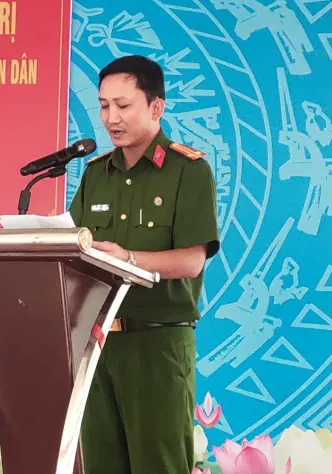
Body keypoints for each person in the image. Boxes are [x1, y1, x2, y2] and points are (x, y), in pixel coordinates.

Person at [68, 54, 220, 474]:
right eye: (103, 105)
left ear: (156, 107)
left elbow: (191, 260)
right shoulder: (96, 173)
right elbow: (75, 252)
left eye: (123, 105)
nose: (111, 118)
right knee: (100, 464)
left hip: (157, 344)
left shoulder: (188, 170)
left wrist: (129, 259)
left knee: (159, 465)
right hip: (97, 344)